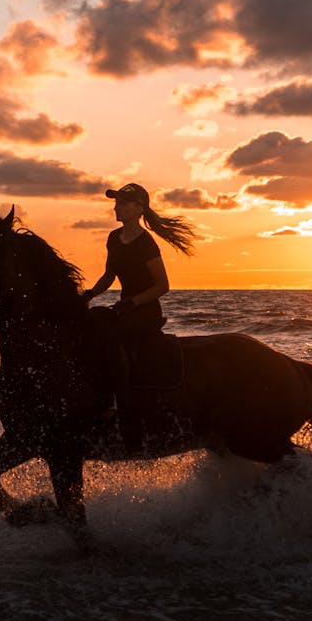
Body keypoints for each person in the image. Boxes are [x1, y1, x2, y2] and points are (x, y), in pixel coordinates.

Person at [83, 183, 195, 447]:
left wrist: (132, 303)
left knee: (109, 334)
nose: (117, 207)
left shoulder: (146, 243)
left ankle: (120, 405)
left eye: (122, 202)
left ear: (138, 208)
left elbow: (162, 286)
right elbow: (109, 276)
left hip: (145, 312)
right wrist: (88, 295)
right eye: (116, 202)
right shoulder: (114, 237)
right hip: (125, 308)